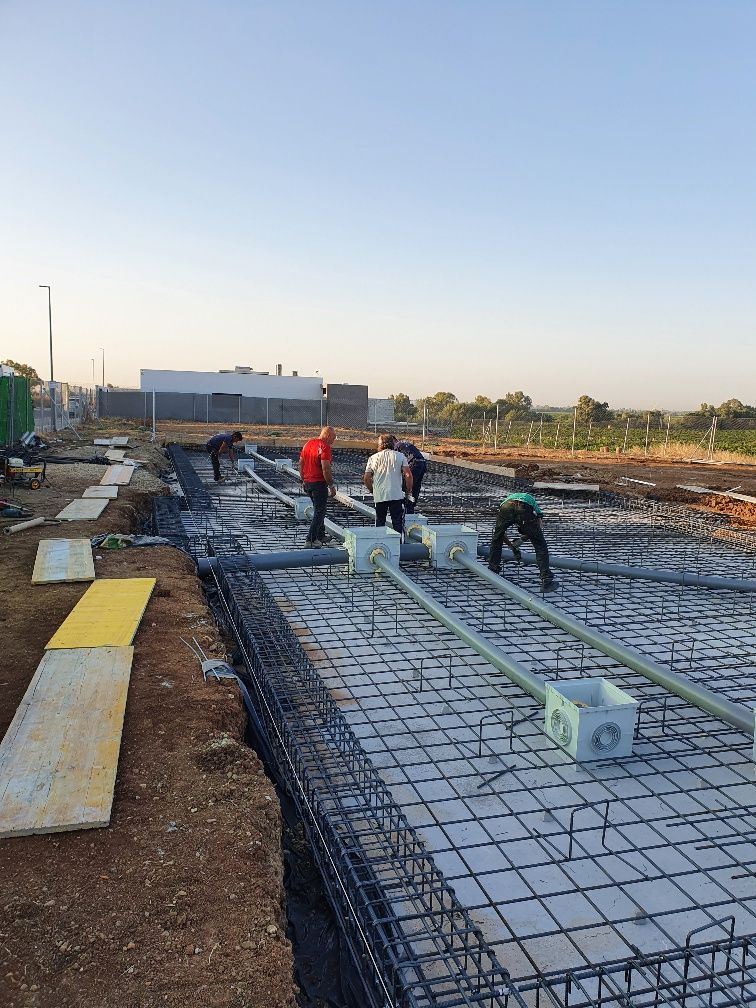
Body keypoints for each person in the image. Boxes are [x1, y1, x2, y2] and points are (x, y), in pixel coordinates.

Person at [488, 492, 559, 592]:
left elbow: (501, 535)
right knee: (540, 545)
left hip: (506, 506)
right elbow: (538, 528)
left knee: (496, 538)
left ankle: (493, 569)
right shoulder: (532, 501)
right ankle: (546, 580)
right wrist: (519, 542)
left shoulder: (505, 501)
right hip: (524, 507)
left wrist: (513, 546)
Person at [363, 434, 412, 534]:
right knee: (397, 523)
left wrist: (372, 490)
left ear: (380, 445)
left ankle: (381, 546)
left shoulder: (373, 458)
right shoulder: (400, 456)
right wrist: (408, 491)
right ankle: (399, 546)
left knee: (380, 522)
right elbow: (408, 475)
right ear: (392, 444)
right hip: (396, 495)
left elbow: (366, 478)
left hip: (380, 495)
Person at [299, 426, 337, 548]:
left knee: (318, 509)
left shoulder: (308, 444)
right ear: (328, 436)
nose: (334, 441)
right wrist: (331, 485)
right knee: (319, 512)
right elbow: (326, 469)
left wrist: (303, 480)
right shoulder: (324, 447)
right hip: (319, 484)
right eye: (334, 438)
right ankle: (310, 539)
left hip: (308, 482)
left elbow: (301, 463)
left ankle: (320, 535)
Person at [395, 439, 427, 513]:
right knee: (415, 487)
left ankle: (407, 510)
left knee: (406, 486)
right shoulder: (405, 444)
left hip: (414, 463)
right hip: (422, 463)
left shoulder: (396, 446)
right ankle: (411, 508)